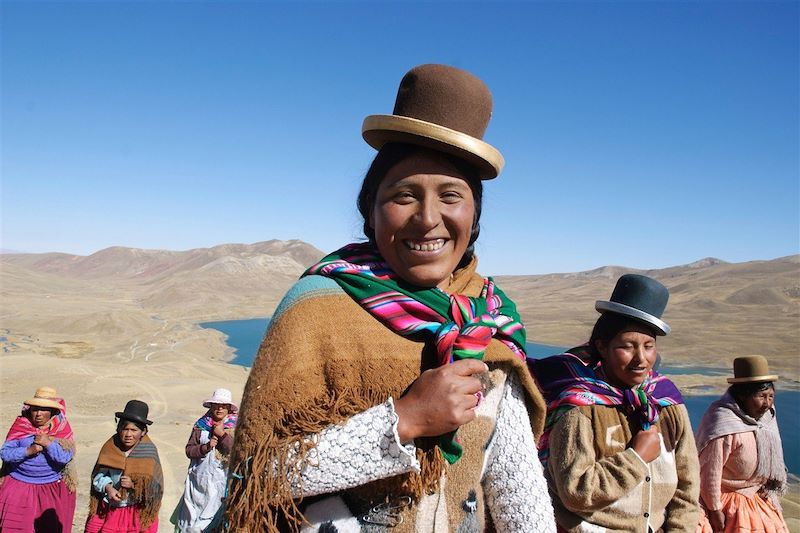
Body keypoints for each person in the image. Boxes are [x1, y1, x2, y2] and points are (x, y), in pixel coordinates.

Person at [225, 64, 556, 532]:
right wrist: (404, 420)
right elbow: (261, 474)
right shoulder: (318, 308)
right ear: (371, 209)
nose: (427, 218)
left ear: (474, 214)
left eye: (451, 195)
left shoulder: (490, 318)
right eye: (404, 195)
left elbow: (516, 485)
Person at [529, 274, 700, 532]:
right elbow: (575, 492)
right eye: (628, 346)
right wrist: (636, 459)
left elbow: (687, 486)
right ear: (602, 346)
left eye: (649, 346)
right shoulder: (580, 407)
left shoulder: (666, 401)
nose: (641, 359)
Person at [695, 355, 788, 533]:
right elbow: (709, 473)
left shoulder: (766, 418)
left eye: (771, 396)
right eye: (761, 396)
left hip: (757, 496)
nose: (767, 404)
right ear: (742, 395)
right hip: (728, 500)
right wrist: (715, 511)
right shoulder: (722, 423)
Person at [0, 386, 77, 532]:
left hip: (50, 488)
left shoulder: (62, 428)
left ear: (53, 411)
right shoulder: (21, 425)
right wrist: (29, 450)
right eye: (35, 409)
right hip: (19, 485)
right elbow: (5, 453)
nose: (38, 414)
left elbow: (65, 457)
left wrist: (48, 443)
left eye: (43, 410)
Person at [85, 400, 163, 533]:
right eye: (125, 429)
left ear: (143, 432)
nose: (128, 434)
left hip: (136, 511)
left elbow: (155, 489)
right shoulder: (110, 447)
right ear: (119, 429)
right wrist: (108, 487)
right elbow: (99, 476)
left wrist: (134, 486)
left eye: (134, 430)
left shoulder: (149, 452)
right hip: (110, 508)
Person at [172, 388, 238, 533]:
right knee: (190, 521)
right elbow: (189, 450)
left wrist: (222, 435)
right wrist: (206, 447)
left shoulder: (235, 427)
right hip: (197, 483)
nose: (219, 408)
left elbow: (237, 451)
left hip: (221, 483)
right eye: (216, 405)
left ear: (229, 408)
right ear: (211, 406)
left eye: (223, 405)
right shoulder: (200, 425)